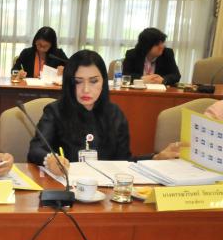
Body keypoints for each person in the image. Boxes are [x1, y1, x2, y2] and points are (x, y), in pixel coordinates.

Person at [28, 50, 181, 174]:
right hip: (65, 188)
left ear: (104, 82)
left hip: (104, 192)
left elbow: (124, 162)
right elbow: (36, 150)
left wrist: (155, 158)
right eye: (78, 82)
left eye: (94, 81)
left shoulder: (115, 114)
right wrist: (50, 160)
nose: (86, 89)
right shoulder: (55, 111)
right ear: (69, 83)